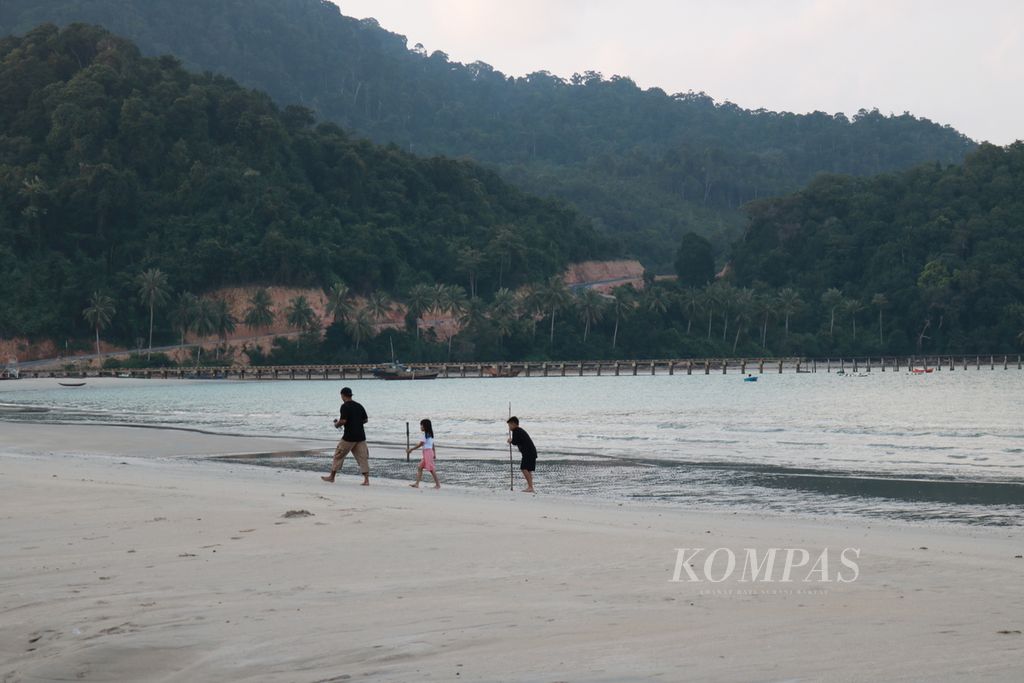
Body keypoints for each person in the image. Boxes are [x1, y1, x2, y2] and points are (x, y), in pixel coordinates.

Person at [322, 387, 370, 485]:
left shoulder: (344, 406)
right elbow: (365, 420)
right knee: (362, 458)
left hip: (349, 437)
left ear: (343, 395)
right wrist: (356, 423)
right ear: (351, 395)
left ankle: (332, 477)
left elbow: (343, 421)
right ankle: (366, 480)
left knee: (338, 455)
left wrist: (337, 425)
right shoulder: (359, 405)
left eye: (341, 395)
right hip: (360, 436)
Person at [407, 418, 441, 489]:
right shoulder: (430, 434)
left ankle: (438, 485)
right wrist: (434, 453)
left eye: (421, 425)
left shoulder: (426, 434)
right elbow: (432, 445)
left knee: (431, 469)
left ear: (425, 426)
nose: (420, 427)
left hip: (428, 453)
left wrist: (411, 449)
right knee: (420, 467)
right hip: (428, 453)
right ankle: (417, 484)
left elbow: (420, 444)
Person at [506, 416, 537, 493]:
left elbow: (515, 441)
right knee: (528, 469)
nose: (509, 427)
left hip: (528, 453)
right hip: (531, 452)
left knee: (524, 468)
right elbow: (518, 441)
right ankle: (530, 487)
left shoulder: (516, 431)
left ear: (514, 424)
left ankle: (530, 487)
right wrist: (512, 441)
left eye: (509, 425)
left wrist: (510, 440)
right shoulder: (519, 430)